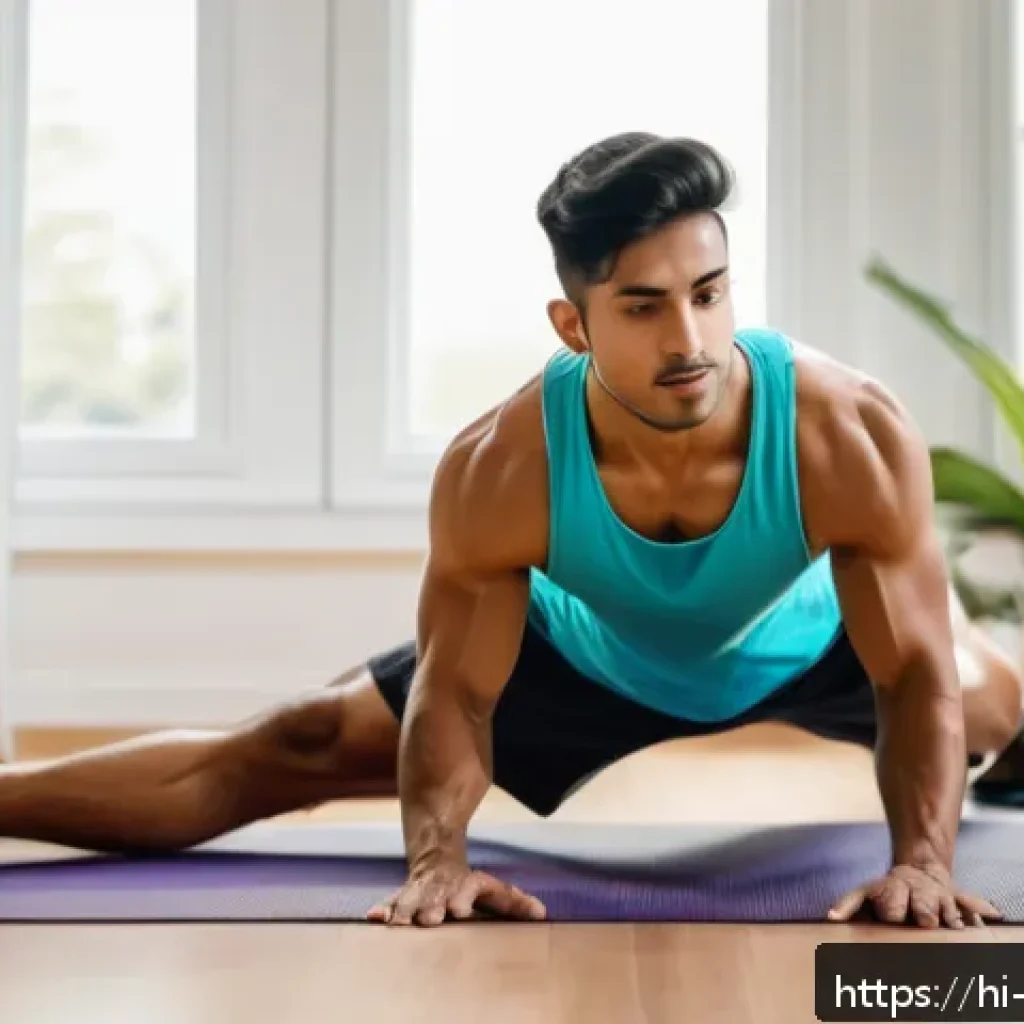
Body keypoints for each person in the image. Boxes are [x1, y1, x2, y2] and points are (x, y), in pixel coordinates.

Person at [1, 133, 1022, 931]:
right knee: (297, 740)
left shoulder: (844, 431)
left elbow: (908, 677)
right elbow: (456, 691)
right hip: (586, 658)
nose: (690, 340)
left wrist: (923, 863)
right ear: (573, 325)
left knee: (982, 702)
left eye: (708, 295)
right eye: (643, 307)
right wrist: (437, 860)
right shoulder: (503, 463)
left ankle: (981, 658)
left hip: (806, 639)